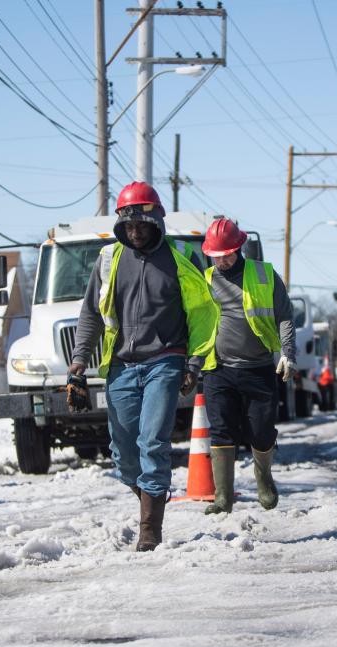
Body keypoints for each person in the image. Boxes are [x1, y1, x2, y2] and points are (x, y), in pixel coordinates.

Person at [66, 181, 218, 551]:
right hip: (120, 364)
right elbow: (91, 314)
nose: (134, 232)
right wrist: (78, 364)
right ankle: (152, 494)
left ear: (157, 222)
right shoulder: (109, 259)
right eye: (128, 226)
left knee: (153, 442)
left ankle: (150, 530)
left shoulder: (181, 260)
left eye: (140, 225)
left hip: (164, 361)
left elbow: (202, 315)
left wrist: (193, 364)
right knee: (124, 453)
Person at [200, 217, 297, 515]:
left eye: (225, 255)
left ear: (239, 248)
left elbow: (284, 314)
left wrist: (287, 353)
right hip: (218, 369)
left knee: (262, 431)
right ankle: (222, 498)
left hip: (258, 368)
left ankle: (263, 477)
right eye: (215, 256)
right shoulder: (204, 280)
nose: (221, 261)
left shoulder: (265, 275)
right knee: (221, 431)